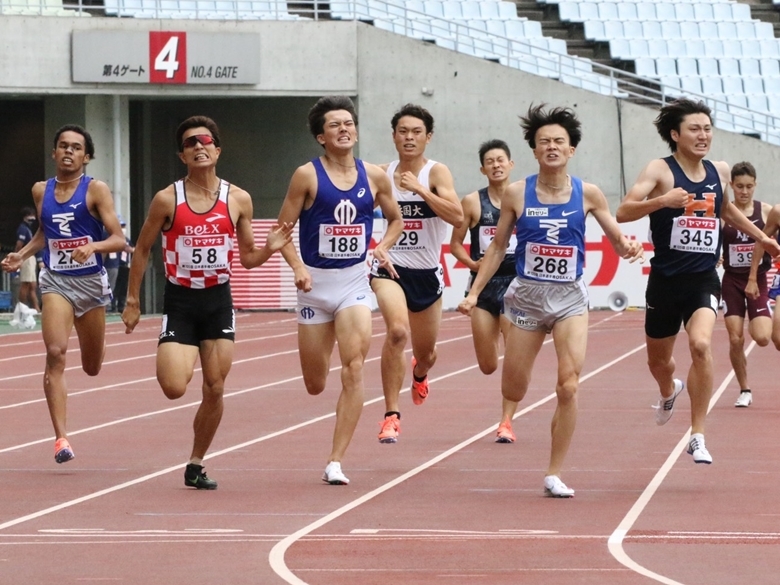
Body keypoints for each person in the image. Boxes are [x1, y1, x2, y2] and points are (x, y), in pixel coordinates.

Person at [458, 104, 644, 497]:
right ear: (535, 150)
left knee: (568, 386)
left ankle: (554, 472)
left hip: (570, 299)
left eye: (559, 141)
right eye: (545, 142)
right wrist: (474, 293)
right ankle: (512, 408)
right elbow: (496, 248)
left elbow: (615, 237)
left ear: (571, 149)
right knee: (515, 386)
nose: (552, 147)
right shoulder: (516, 193)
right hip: (526, 298)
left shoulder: (588, 193)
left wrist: (627, 246)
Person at [122, 115, 292, 490]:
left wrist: (270, 249)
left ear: (217, 149)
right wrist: (132, 299)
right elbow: (144, 248)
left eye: (205, 141)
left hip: (218, 301)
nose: (199, 146)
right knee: (173, 387)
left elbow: (247, 258)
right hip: (180, 302)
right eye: (190, 143)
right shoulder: (168, 199)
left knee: (215, 386)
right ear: (182, 156)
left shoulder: (238, 199)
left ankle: (196, 462)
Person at [615, 99, 780, 465]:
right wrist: (662, 201)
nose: (703, 135)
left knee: (702, 345)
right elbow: (623, 211)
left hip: (703, 277)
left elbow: (725, 209)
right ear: (675, 135)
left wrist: (759, 236)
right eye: (695, 128)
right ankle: (667, 389)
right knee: (659, 363)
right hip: (664, 280)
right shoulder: (660, 170)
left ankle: (698, 434)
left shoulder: (718, 170)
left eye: (707, 128)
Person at [276, 95, 402, 485]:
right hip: (315, 287)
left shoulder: (376, 177)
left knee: (353, 367)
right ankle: (333, 447)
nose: (345, 129)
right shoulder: (307, 176)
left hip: (353, 284)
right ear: (321, 136)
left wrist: (381, 247)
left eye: (349, 123)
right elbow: (280, 232)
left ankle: (335, 460)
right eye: (335, 124)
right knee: (315, 384)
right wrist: (298, 268)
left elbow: (395, 220)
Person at [1, 124, 126, 464]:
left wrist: (94, 246)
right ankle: (61, 438)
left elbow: (119, 240)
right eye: (63, 146)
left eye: (76, 147)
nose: (68, 152)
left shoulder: (95, 190)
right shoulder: (41, 191)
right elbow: (46, 233)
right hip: (56, 280)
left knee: (92, 367)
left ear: (86, 157)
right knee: (56, 352)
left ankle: (92, 353)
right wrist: (22, 254)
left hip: (91, 283)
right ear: (54, 152)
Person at [371, 103, 463, 444]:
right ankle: (391, 416)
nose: (409, 138)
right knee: (397, 332)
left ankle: (420, 372)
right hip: (389, 267)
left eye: (416, 132)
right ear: (394, 136)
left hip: (427, 273)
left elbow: (456, 218)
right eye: (403, 132)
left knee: (426, 353)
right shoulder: (380, 173)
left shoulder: (437, 173)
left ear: (428, 137)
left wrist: (421, 191)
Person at [450, 139, 520, 443]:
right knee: (489, 365)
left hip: (517, 284)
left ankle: (506, 421)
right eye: (490, 161)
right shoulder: (472, 202)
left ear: (511, 164)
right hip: (483, 286)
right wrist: (473, 264)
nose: (496, 165)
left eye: (501, 159)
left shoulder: (523, 198)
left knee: (514, 356)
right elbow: (455, 245)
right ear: (483, 168)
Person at [719, 162, 772, 408]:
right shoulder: (724, 213)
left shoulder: (765, 212)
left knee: (761, 337)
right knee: (735, 338)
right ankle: (744, 389)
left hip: (758, 280)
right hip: (731, 280)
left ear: (755, 185)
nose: (744, 191)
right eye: (739, 186)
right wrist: (714, 256)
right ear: (731, 186)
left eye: (749, 186)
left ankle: (758, 314)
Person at [14, 207, 41, 313]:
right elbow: (19, 244)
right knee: (26, 283)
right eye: (30, 215)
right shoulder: (22, 228)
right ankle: (22, 308)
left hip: (31, 257)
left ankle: (36, 308)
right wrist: (18, 257)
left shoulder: (28, 229)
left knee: (32, 285)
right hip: (26, 257)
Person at [113, 219, 135, 313]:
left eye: (123, 226)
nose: (123, 229)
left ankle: (121, 306)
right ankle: (112, 306)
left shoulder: (127, 239)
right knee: (114, 286)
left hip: (125, 264)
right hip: (116, 265)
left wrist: (132, 249)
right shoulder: (112, 238)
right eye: (121, 226)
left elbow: (132, 248)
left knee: (124, 287)